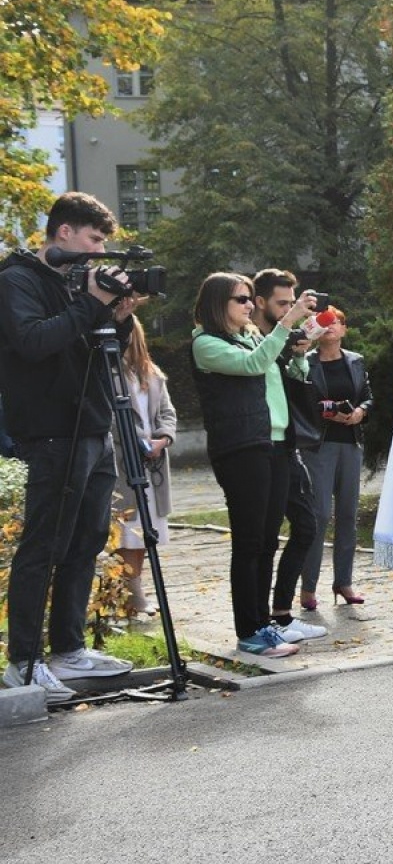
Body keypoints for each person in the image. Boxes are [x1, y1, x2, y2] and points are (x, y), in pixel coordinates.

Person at [0, 192, 137, 702]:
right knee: (44, 546)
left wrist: (118, 318)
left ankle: (67, 650)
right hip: (53, 430)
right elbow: (34, 342)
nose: (100, 251)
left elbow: (95, 348)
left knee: (85, 542)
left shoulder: (74, 284)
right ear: (64, 233)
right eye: (94, 240)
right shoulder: (16, 281)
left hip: (93, 428)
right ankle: (24, 663)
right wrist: (90, 305)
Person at [190, 271, 319, 657]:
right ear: (218, 304)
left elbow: (276, 374)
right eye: (241, 299)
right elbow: (251, 366)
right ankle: (248, 630)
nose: (249, 305)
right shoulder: (206, 343)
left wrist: (298, 355)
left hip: (274, 442)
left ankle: (264, 624)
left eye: (249, 298)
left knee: (266, 541)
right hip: (241, 447)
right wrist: (284, 325)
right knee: (248, 542)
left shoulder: (252, 335)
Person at [249, 268, 331, 639]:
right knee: (262, 538)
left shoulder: (280, 338)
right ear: (260, 302)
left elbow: (297, 386)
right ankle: (263, 620)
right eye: (283, 303)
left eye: (292, 302)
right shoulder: (251, 339)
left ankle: (280, 613)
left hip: (288, 443)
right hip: (261, 446)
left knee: (307, 525)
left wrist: (301, 354)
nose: (289, 310)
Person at [303, 306, 371, 608]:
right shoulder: (305, 363)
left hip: (350, 445)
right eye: (324, 322)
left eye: (336, 322)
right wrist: (327, 411)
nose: (330, 327)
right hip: (319, 446)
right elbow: (301, 401)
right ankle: (308, 587)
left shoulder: (356, 361)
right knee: (318, 515)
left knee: (347, 515)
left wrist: (360, 412)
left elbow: (368, 395)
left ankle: (344, 583)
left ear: (344, 329)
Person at [111, 314, 176, 617]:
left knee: (145, 529)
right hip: (124, 462)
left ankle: (133, 592)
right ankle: (134, 594)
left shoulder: (152, 373)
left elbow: (167, 412)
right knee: (128, 529)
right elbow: (113, 415)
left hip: (153, 463)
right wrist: (140, 440)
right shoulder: (108, 372)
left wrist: (163, 438)